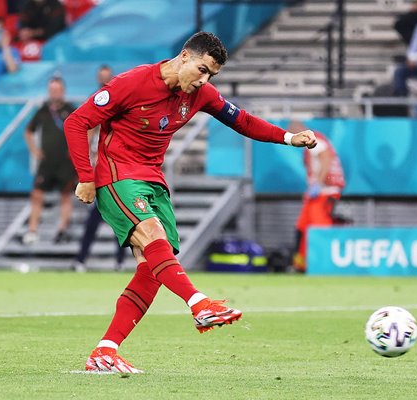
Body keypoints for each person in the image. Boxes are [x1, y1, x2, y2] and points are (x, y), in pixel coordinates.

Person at [63, 32, 318, 374]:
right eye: (201, 69)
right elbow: (77, 122)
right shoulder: (132, 82)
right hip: (118, 176)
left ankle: (105, 351)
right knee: (152, 235)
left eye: (211, 75)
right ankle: (199, 304)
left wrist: (288, 137)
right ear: (184, 56)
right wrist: (86, 176)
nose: (204, 80)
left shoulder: (200, 94)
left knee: (153, 267)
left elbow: (241, 120)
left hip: (153, 180)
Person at [72, 65, 127, 272]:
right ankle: (82, 259)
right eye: (100, 79)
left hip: (115, 168)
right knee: (96, 220)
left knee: (119, 219)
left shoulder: (117, 100)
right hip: (100, 170)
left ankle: (119, 260)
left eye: (106, 79)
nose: (103, 83)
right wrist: (85, 161)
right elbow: (87, 128)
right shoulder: (97, 100)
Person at [23, 77, 77, 245]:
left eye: (57, 89)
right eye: (52, 89)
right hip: (47, 161)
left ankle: (62, 229)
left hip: (65, 161)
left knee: (65, 195)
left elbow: (85, 129)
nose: (54, 92)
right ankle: (32, 230)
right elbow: (28, 131)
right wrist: (34, 150)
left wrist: (77, 150)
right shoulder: (43, 111)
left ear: (63, 90)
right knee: (37, 194)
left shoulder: (70, 110)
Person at [290, 121, 345, 273]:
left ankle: (323, 263)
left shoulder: (313, 140)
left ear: (299, 131)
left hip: (325, 191)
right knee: (303, 226)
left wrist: (319, 184)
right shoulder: (315, 140)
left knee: (319, 226)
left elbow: (325, 158)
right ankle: (301, 264)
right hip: (317, 192)